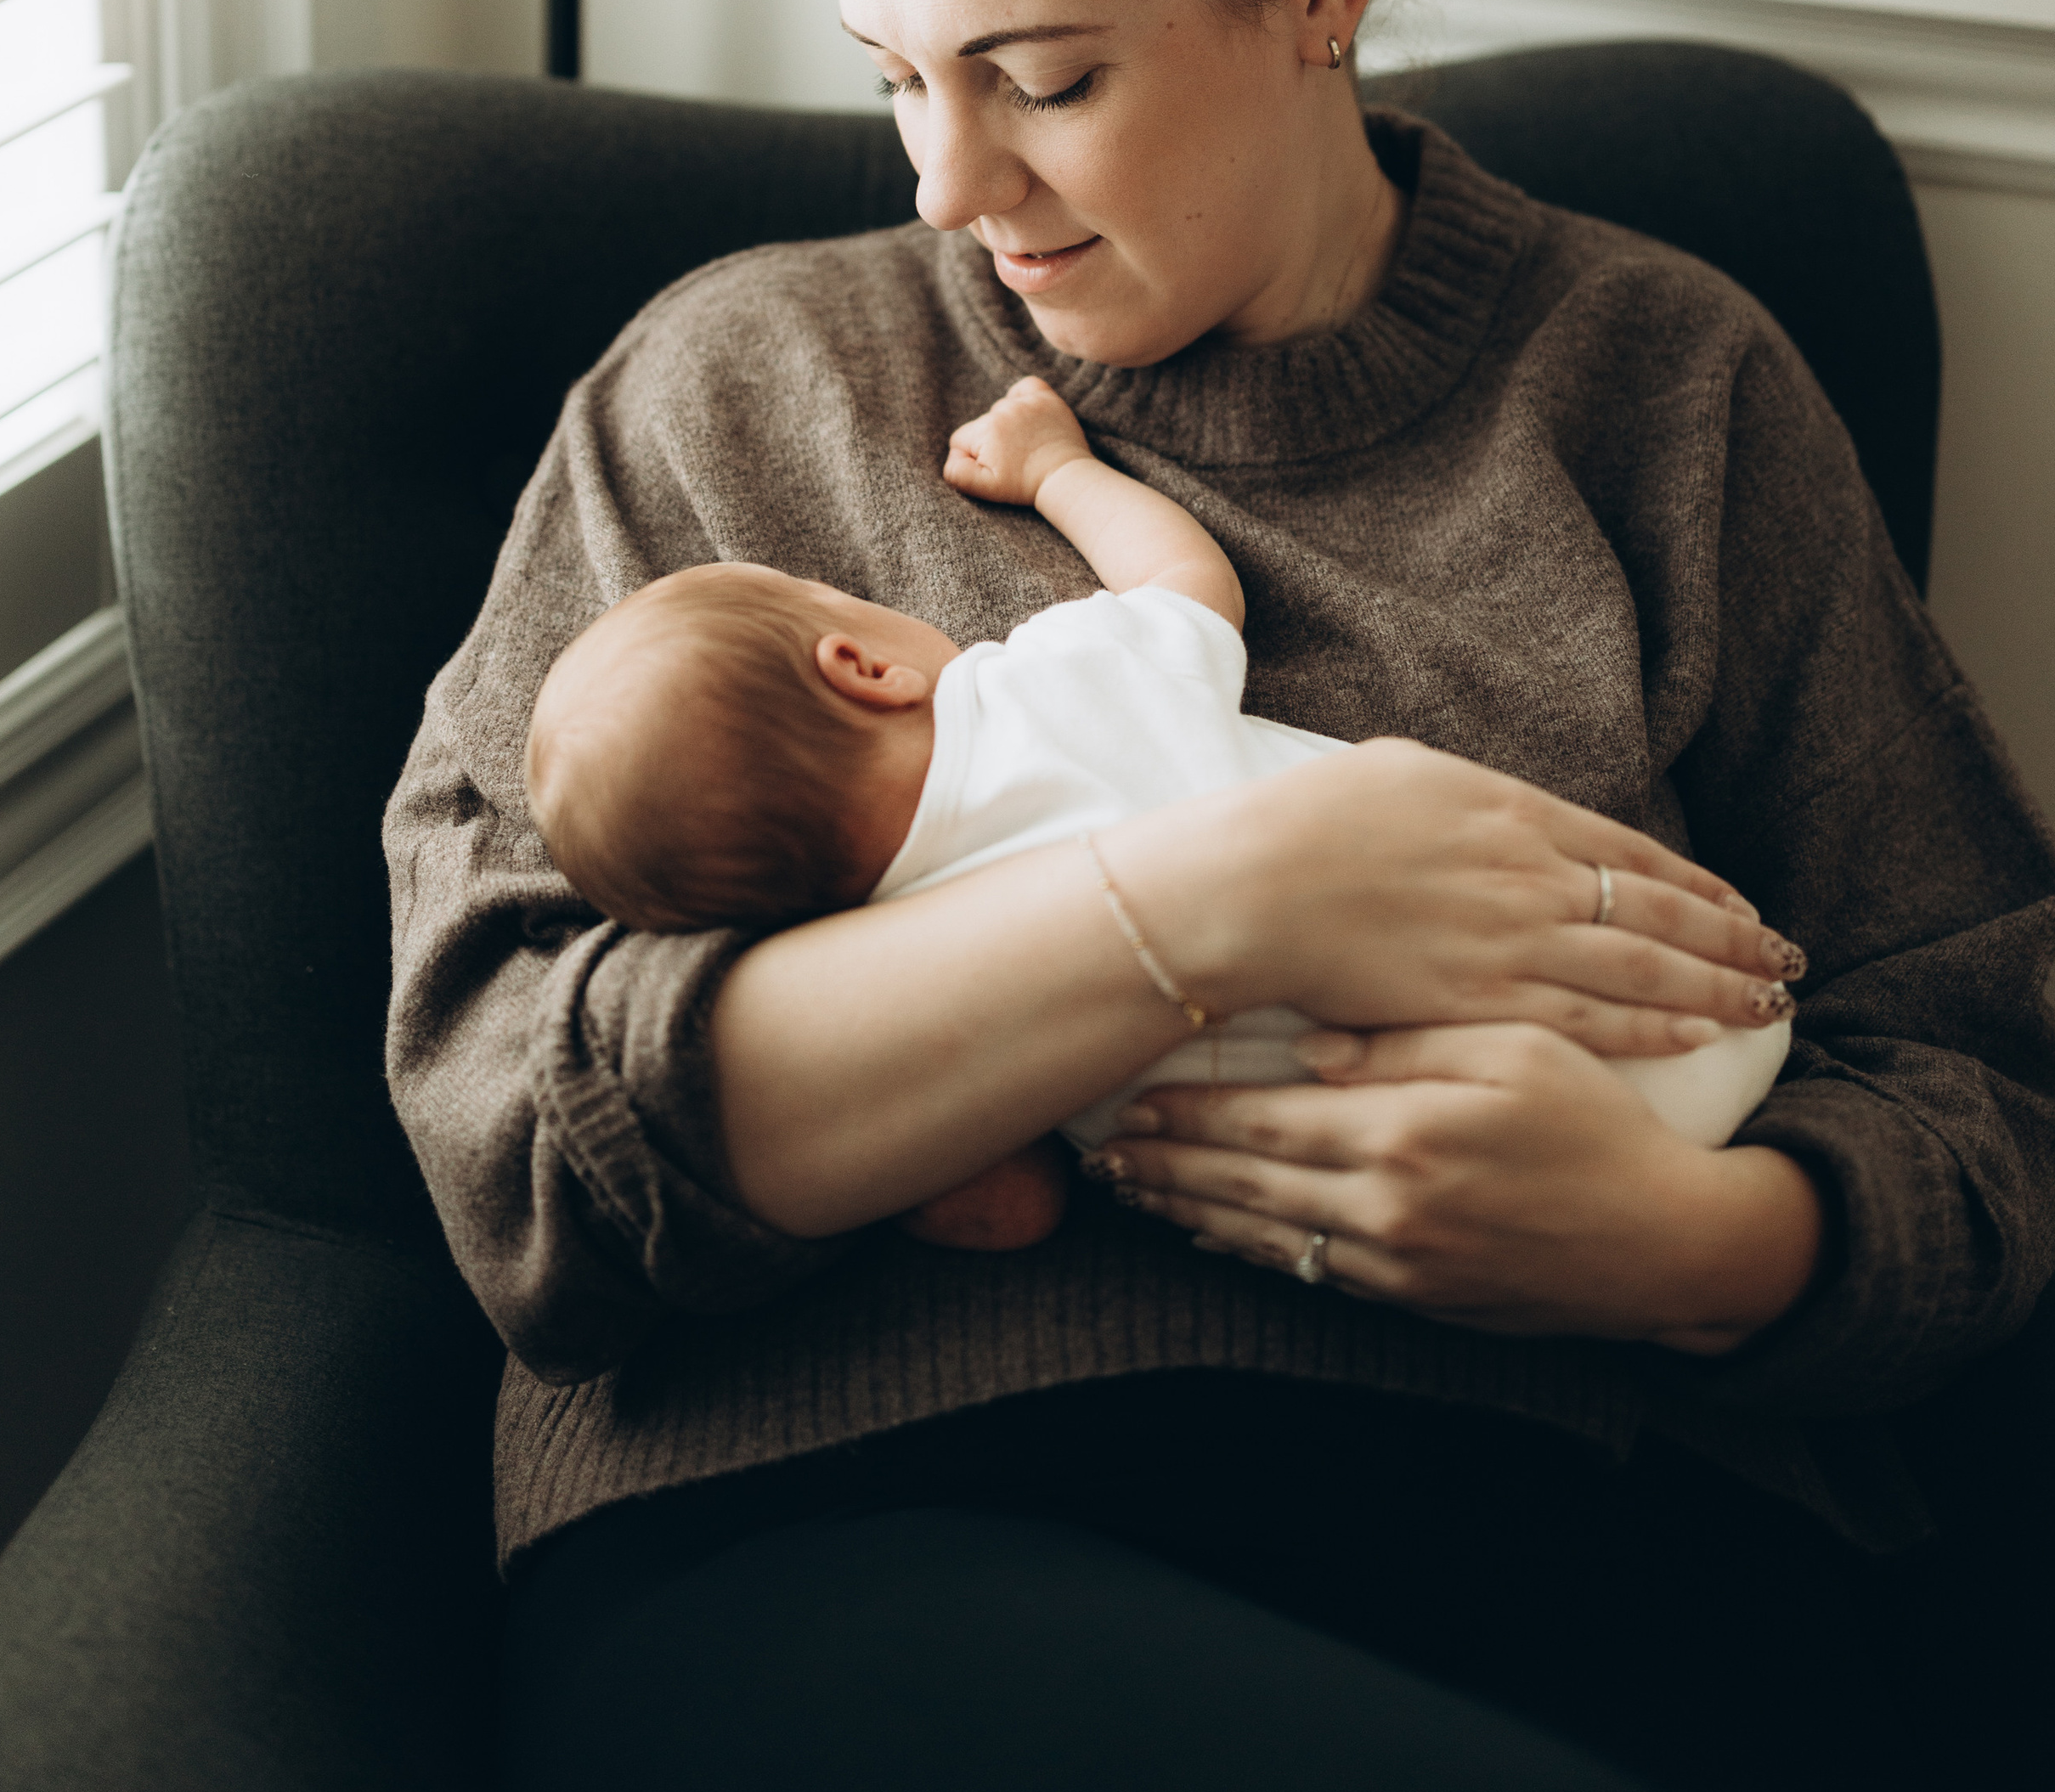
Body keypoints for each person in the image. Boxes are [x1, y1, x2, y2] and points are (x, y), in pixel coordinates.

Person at [384, 0, 2055, 1792]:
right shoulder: (731, 398)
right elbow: (525, 1152)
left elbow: (1975, 1084)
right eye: (895, 75)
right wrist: (1221, 893)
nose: (947, 188)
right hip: (865, 1544)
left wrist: (1689, 1244)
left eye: (1044, 78)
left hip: (1589, 1545)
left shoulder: (1659, 389)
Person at [524, 371, 1794, 1257]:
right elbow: (1185, 581)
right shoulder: (1045, 689)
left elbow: (1011, 1207)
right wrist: (1060, 470)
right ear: (862, 668)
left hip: (1386, 1176)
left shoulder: (887, 977)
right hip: (1673, 1003)